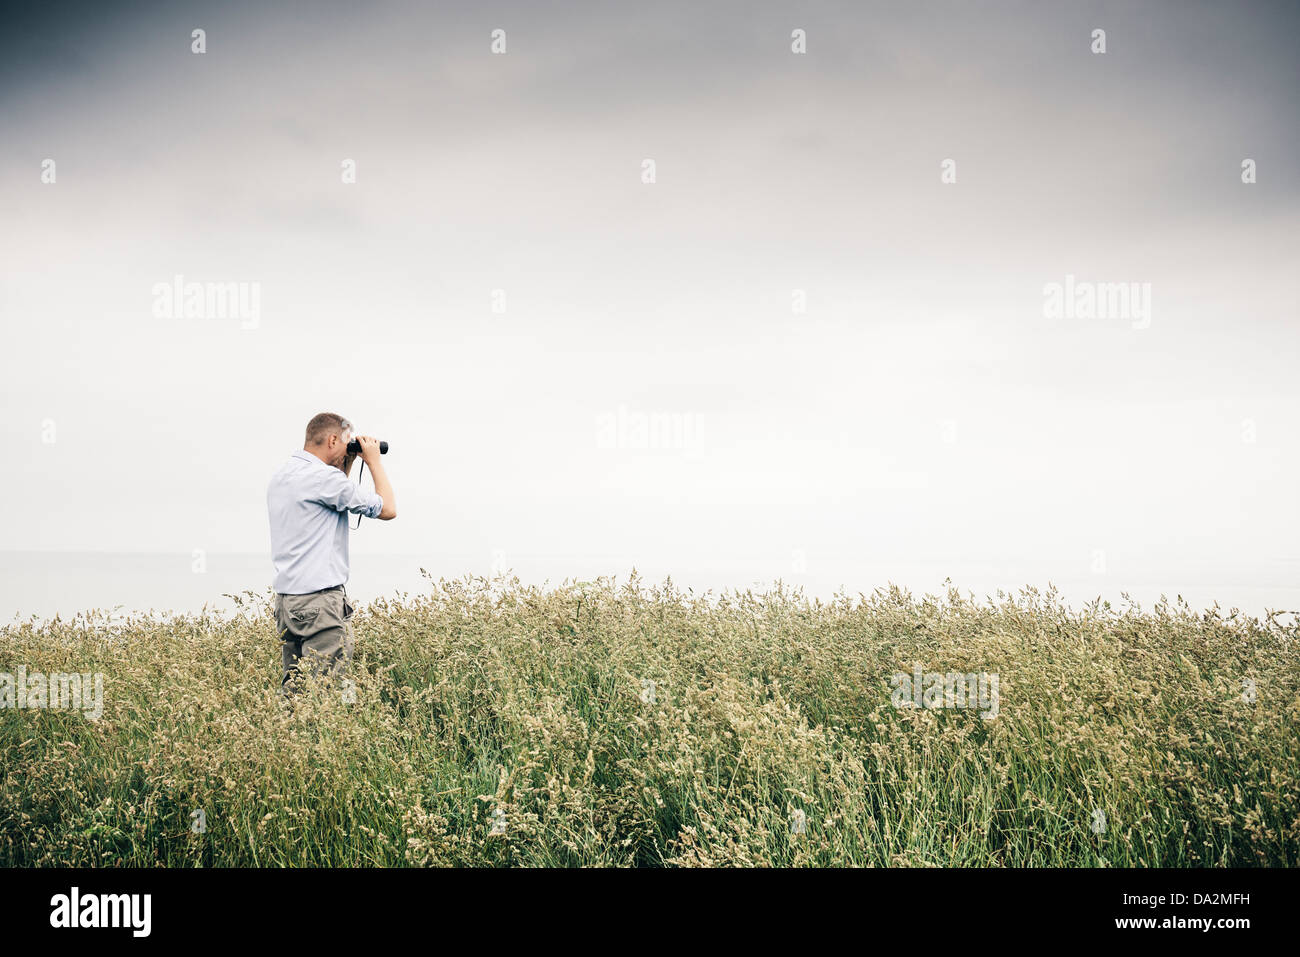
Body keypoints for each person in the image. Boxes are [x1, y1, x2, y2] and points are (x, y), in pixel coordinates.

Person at [266, 412, 396, 695]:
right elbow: (388, 509)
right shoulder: (325, 480)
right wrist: (373, 461)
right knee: (329, 694)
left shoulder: (283, 475)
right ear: (333, 439)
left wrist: (345, 461)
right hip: (321, 604)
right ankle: (325, 738)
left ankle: (288, 737)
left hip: (288, 604)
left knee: (295, 692)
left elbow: (334, 494)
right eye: (347, 443)